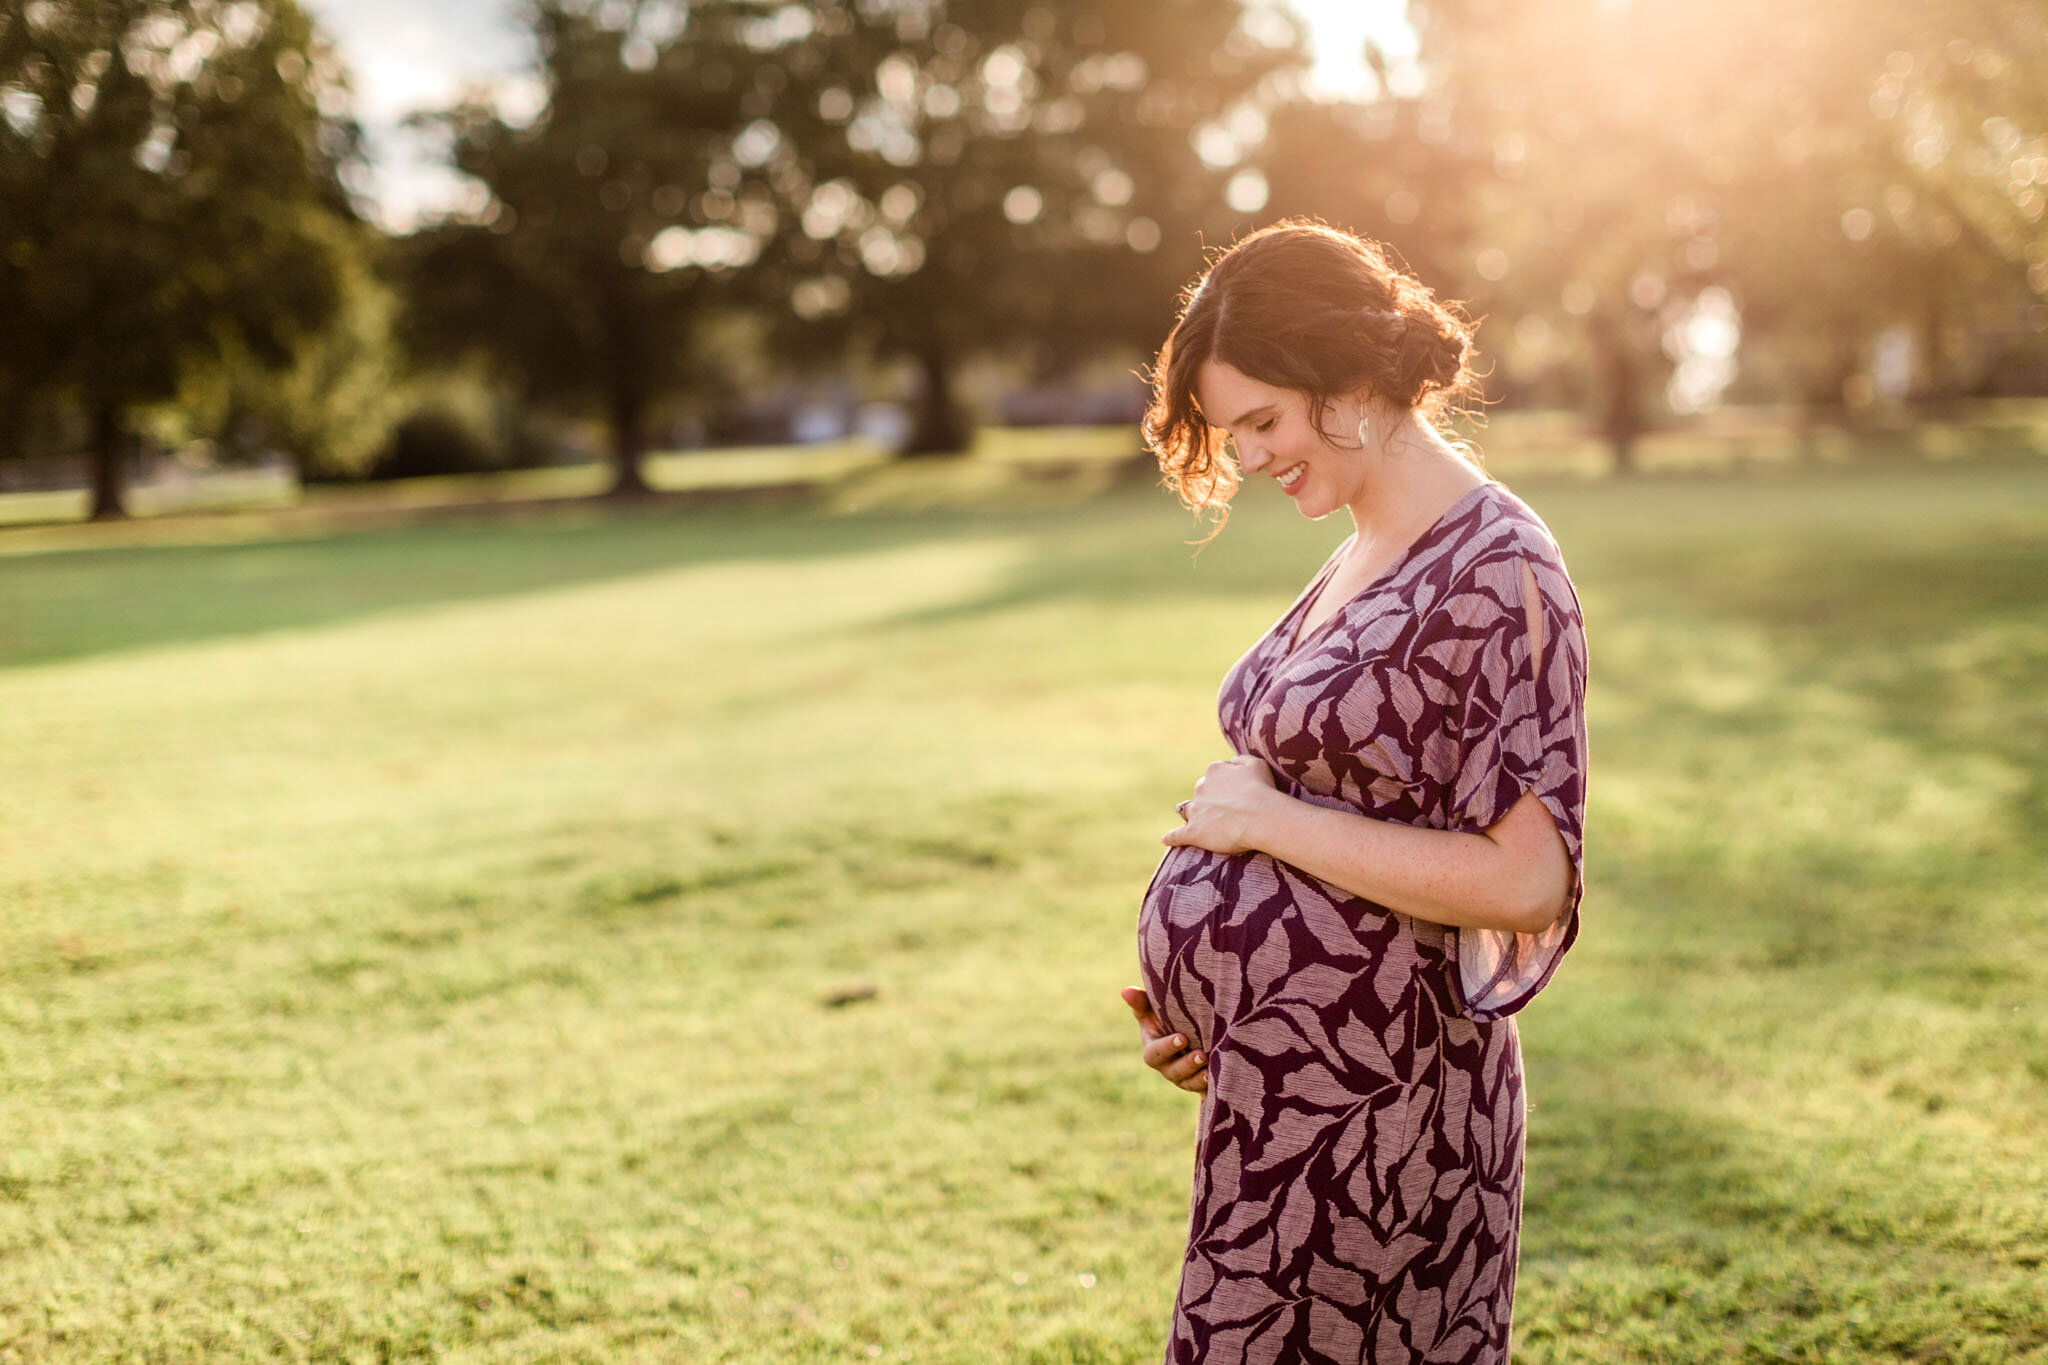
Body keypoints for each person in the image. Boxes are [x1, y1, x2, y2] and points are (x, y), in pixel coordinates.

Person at [1121, 220, 1590, 1363]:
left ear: (1358, 379)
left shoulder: (1501, 568)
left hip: (1392, 1117)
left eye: (1262, 422)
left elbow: (1527, 880)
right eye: (1231, 433)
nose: (1245, 459)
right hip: (1288, 1099)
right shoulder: (1365, 544)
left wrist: (1270, 822)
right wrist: (1221, 1021)